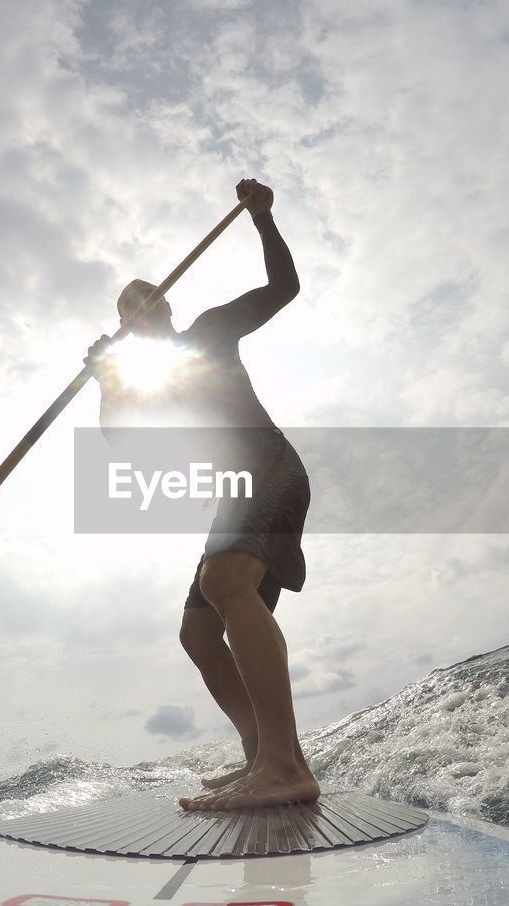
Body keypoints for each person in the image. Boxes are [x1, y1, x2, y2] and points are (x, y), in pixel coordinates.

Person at [84, 178, 319, 811]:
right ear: (125, 329)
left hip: (269, 469)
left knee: (225, 584)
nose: (142, 311)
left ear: (165, 307)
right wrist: (104, 384)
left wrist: (264, 221)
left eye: (150, 300)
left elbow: (283, 291)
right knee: (197, 632)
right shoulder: (143, 389)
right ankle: (259, 754)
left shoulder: (210, 333)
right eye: (128, 310)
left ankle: (283, 765)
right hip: (235, 494)